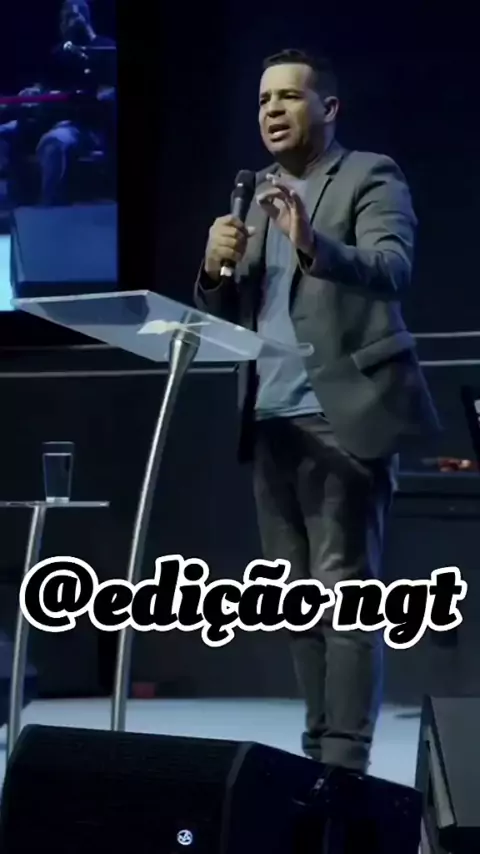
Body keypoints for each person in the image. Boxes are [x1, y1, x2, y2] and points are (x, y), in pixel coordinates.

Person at [194, 48, 440, 772]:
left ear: (327, 108)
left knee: (346, 597)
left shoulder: (369, 174)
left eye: (288, 97)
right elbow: (232, 303)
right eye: (263, 99)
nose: (271, 110)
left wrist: (311, 241)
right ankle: (315, 754)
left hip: (342, 416)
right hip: (269, 418)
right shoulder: (255, 192)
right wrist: (211, 268)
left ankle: (345, 765)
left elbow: (392, 268)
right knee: (296, 603)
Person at [0, 0, 115, 205]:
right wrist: (34, 92)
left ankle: (49, 208)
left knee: (53, 142)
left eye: (69, 17)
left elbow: (109, 92)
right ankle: (12, 200)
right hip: (47, 118)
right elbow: (46, 86)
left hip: (82, 126)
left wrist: (100, 96)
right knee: (3, 134)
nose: (64, 24)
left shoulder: (105, 48)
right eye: (62, 20)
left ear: (83, 18)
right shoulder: (60, 53)